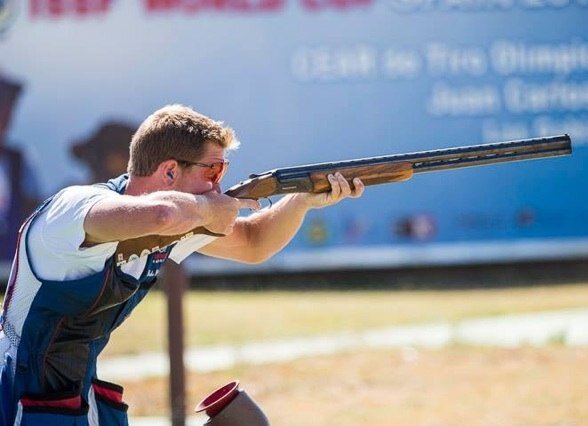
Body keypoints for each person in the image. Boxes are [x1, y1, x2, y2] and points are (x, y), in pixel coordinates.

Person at [0, 104, 364, 425]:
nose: (218, 188)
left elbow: (254, 244)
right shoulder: (74, 207)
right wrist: (207, 210)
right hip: (16, 401)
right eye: (213, 172)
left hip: (74, 403)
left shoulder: (178, 219)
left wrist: (300, 201)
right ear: (170, 172)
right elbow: (160, 215)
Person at [0, 74, 41, 261]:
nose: (5, 111)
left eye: (9, 103)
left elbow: (34, 216)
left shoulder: (19, 162)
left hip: (8, 273)